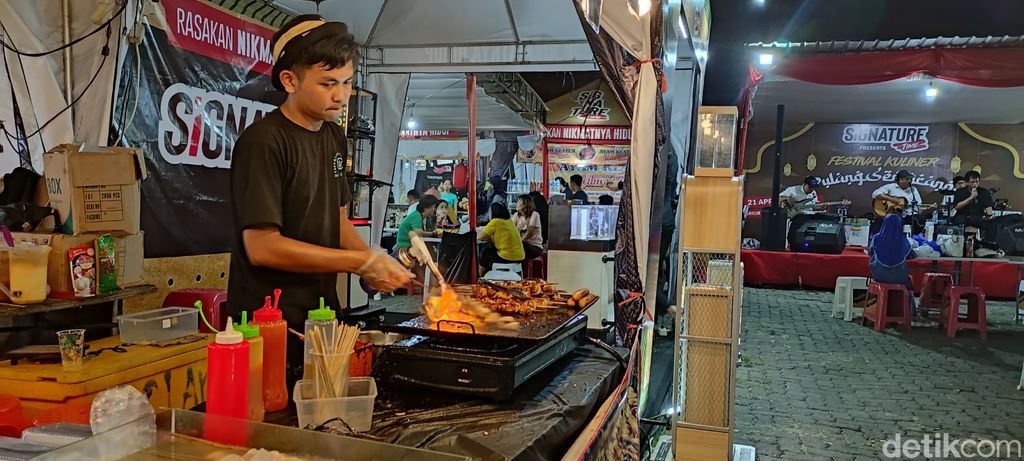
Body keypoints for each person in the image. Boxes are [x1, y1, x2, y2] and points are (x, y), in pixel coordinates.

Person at [228, 15, 412, 375]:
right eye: (328, 83)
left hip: (323, 315)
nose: (341, 95)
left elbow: (335, 216)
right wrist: (356, 262)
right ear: (290, 80)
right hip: (270, 322)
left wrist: (372, 259)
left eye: (346, 82)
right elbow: (262, 246)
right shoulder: (263, 142)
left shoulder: (332, 137)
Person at [868, 211, 919, 320]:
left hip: (879, 276)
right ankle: (910, 313)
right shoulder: (904, 241)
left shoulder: (877, 238)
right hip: (899, 278)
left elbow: (870, 252)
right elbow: (912, 255)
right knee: (908, 282)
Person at [477, 202, 525, 272]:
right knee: (491, 252)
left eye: (490, 211)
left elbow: (479, 237)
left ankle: (481, 276)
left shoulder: (495, 222)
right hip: (520, 256)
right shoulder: (509, 221)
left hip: (507, 257)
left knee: (486, 253)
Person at [952, 170, 996, 240]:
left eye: (977, 182)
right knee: (958, 220)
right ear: (966, 182)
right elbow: (957, 207)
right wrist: (970, 198)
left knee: (992, 224)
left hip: (978, 217)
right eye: (972, 182)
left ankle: (989, 244)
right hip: (963, 216)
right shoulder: (959, 192)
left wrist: (989, 215)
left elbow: (988, 206)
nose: (975, 184)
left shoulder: (984, 192)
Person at [513, 195, 544, 260]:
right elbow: (511, 229)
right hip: (520, 244)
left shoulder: (535, 215)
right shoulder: (516, 215)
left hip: (534, 247)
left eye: (518, 202)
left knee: (522, 246)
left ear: (525, 204)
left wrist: (518, 243)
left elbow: (529, 233)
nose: (516, 204)